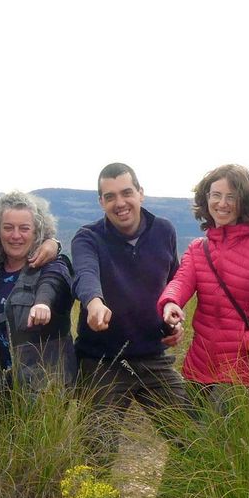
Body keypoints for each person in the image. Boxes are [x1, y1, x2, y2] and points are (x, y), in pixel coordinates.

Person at [71, 162, 189, 459]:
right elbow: (85, 274)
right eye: (110, 196)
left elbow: (172, 283)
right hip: (102, 362)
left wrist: (170, 324)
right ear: (101, 202)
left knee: (193, 439)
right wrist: (94, 302)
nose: (120, 203)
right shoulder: (88, 237)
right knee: (97, 455)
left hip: (152, 357)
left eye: (126, 193)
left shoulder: (164, 230)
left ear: (141, 194)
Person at [158, 164, 249, 403]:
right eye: (216, 195)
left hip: (242, 370)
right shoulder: (198, 248)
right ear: (206, 198)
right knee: (191, 437)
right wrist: (171, 303)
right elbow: (181, 281)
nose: (222, 203)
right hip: (199, 365)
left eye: (231, 196)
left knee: (222, 436)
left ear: (245, 201)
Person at [0, 190, 75, 391]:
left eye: (24, 228)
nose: (16, 236)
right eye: (8, 228)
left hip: (38, 391)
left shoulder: (52, 265)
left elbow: (54, 281)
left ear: (37, 232)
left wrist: (42, 303)